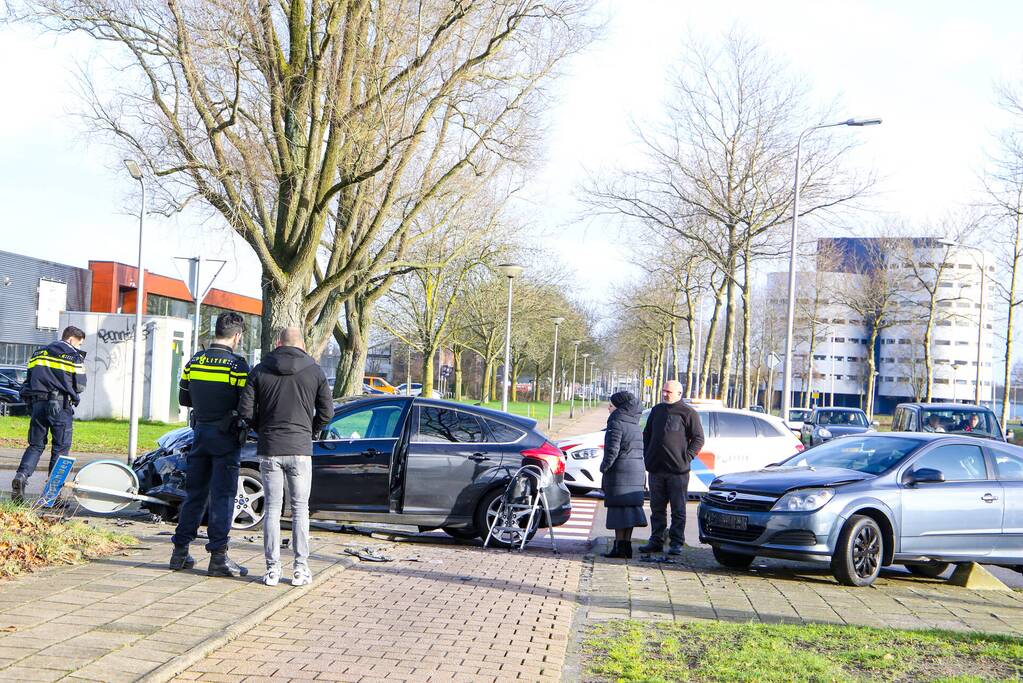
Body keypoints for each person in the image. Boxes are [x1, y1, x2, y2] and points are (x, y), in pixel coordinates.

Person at [239, 327, 332, 587]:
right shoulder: (314, 371)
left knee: (271, 508)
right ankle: (300, 569)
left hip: (270, 448)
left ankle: (272, 569)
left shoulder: (259, 370)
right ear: (302, 344)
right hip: (300, 449)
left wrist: (263, 429)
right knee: (300, 509)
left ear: (278, 343)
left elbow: (245, 410)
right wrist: (309, 431)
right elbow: (327, 412)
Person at [170, 312, 251, 577]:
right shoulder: (237, 366)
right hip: (226, 438)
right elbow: (245, 404)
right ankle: (218, 557)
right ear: (237, 336)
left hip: (199, 434)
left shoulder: (195, 361)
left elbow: (184, 399)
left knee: (195, 495)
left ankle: (179, 552)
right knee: (223, 497)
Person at [11, 326, 88, 503]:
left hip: (38, 404)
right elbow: (80, 387)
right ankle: (52, 496)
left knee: (35, 445)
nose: (79, 346)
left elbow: (28, 381)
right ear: (71, 340)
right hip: (60, 406)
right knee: (60, 449)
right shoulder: (74, 356)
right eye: (79, 343)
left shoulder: (38, 353)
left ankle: (21, 476)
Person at [640, 379, 705, 556]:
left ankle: (676, 542)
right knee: (656, 509)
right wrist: (648, 454)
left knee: (678, 509)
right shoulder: (657, 410)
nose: (665, 394)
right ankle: (656, 540)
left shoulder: (688, 412)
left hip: (678, 471)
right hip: (656, 469)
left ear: (678, 393)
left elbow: (699, 438)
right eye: (664, 391)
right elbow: (647, 434)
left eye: (668, 392)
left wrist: (687, 457)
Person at [600, 391, 647, 559]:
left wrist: (604, 468)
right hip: (636, 471)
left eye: (611, 405)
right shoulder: (634, 423)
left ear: (619, 407)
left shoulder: (616, 423)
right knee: (629, 510)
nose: (608, 408)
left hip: (620, 472)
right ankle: (626, 547)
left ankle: (619, 548)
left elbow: (612, 451)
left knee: (618, 511)